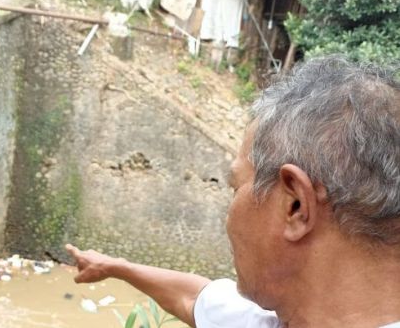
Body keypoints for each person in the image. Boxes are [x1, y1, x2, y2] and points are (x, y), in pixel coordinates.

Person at [66, 56, 400, 327]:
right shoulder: (273, 317)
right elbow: (193, 297)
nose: (228, 214)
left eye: (236, 186)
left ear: (295, 206)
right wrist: (116, 267)